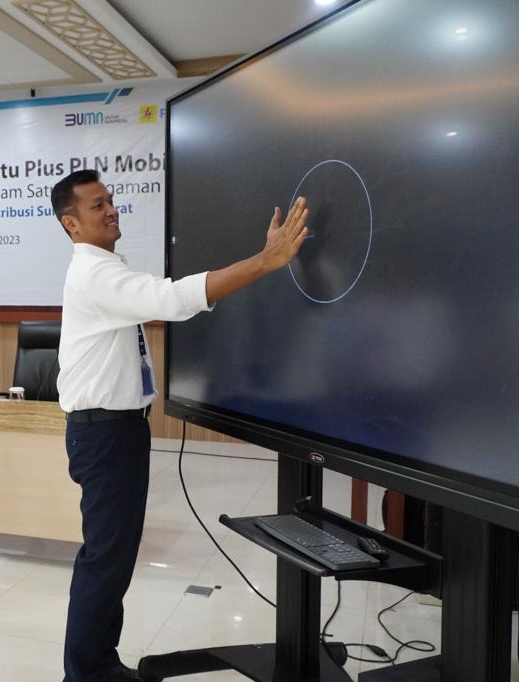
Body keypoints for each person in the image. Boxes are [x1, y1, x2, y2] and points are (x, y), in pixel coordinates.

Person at [51, 170, 309, 682]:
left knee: (114, 558)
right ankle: (83, 674)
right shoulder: (95, 274)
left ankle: (100, 663)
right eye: (97, 205)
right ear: (72, 224)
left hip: (116, 431)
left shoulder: (106, 268)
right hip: (104, 435)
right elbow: (173, 300)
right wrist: (265, 260)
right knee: (105, 559)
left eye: (110, 200)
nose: (111, 209)